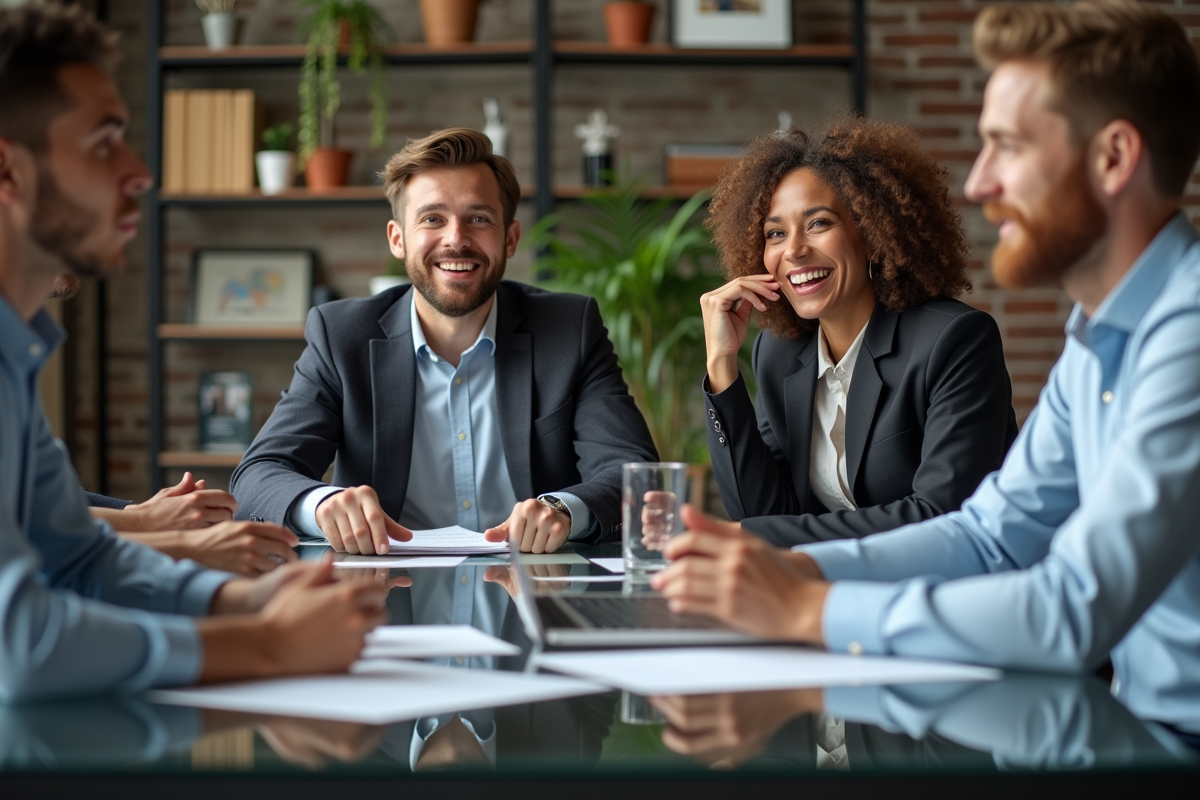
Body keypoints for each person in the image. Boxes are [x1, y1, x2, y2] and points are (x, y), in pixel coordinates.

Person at [654, 0, 1200, 726]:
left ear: (1113, 158)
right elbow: (989, 536)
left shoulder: (1186, 335)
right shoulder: (1097, 340)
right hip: (1131, 726)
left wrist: (811, 606)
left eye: (1008, 146)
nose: (978, 184)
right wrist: (785, 569)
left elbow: (1072, 608)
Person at [0, 3, 389, 702]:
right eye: (103, 142)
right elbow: (18, 643)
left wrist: (242, 601)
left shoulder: (14, 356)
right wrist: (265, 643)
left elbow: (81, 557)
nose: (139, 171)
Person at [230, 128, 657, 555]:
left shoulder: (569, 330)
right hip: (384, 595)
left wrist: (565, 510)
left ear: (510, 238)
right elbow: (259, 474)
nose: (456, 239)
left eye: (479, 218)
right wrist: (322, 504)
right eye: (432, 218)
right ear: (398, 239)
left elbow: (634, 472)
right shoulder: (342, 336)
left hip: (536, 588)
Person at [699, 118, 1017, 547]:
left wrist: (757, 534)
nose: (793, 250)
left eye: (818, 223)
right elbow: (761, 511)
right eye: (776, 233)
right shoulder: (779, 353)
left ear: (871, 234)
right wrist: (722, 366)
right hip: (828, 592)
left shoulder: (955, 341)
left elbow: (942, 516)